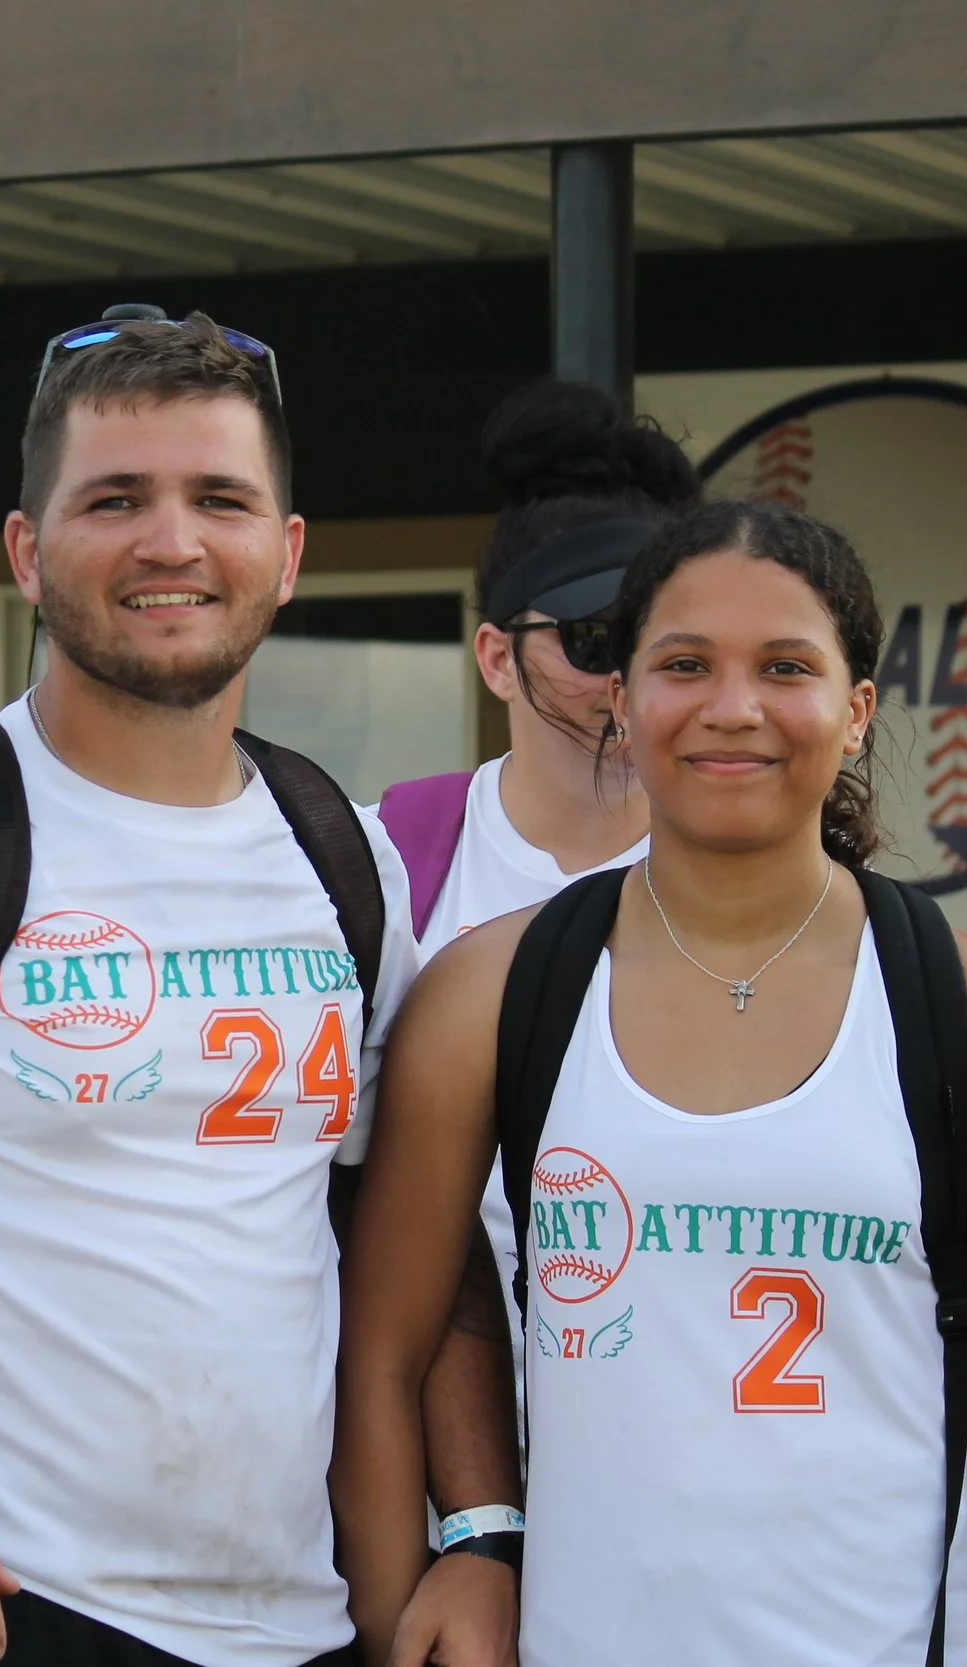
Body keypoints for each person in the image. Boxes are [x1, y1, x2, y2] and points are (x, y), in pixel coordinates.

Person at [0, 309, 521, 1667]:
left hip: (294, 1620)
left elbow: (419, 1234)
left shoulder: (342, 856)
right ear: (26, 549)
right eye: (115, 499)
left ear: (285, 555)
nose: (171, 542)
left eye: (218, 498)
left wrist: (481, 1527)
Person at [338, 499, 967, 1665]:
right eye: (683, 663)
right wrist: (428, 1586)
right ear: (627, 703)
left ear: (855, 714)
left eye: (785, 667)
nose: (731, 706)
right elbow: (382, 1359)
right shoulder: (489, 993)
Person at [377, 381, 698, 1457]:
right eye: (592, 635)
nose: (627, 677)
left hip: (694, 1440)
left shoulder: (774, 887)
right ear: (496, 656)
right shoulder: (383, 861)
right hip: (448, 1469)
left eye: (665, 639)